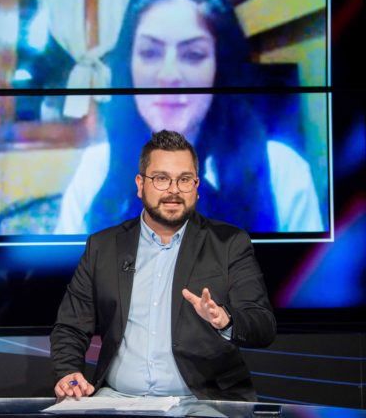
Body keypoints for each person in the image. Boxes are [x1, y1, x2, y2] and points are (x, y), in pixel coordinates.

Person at [55, 0, 323, 235]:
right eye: (150, 53)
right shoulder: (96, 170)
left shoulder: (282, 173)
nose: (169, 75)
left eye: (193, 55)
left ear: (219, 69)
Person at [51, 130, 276, 401]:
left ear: (197, 186)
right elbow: (71, 326)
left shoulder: (229, 244)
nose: (173, 190)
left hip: (202, 402)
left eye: (184, 180)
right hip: (118, 399)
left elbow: (262, 325)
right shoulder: (104, 247)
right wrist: (68, 372)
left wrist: (225, 320)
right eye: (161, 178)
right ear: (140, 185)